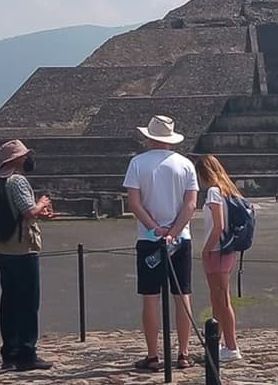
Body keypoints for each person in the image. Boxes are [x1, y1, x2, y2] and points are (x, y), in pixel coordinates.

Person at [123, 115, 198, 372]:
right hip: (181, 239)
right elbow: (190, 204)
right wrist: (174, 231)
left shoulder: (137, 163)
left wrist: (156, 228)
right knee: (182, 295)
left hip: (148, 239)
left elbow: (134, 203)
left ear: (149, 137)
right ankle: (184, 354)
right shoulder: (186, 164)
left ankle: (153, 355)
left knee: (151, 298)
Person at [0, 140, 57, 371]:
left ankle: (9, 352)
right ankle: (27, 353)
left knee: (9, 302)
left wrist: (40, 213)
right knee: (28, 304)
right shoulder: (18, 180)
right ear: (18, 160)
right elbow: (28, 211)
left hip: (5, 250)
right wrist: (42, 202)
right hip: (23, 250)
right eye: (25, 155)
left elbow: (21, 215)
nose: (29, 158)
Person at [195, 154, 243, 362]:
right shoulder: (228, 191)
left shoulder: (214, 192)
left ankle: (231, 347)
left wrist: (205, 249)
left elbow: (218, 226)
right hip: (226, 250)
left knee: (222, 300)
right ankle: (218, 343)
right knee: (217, 299)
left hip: (217, 251)